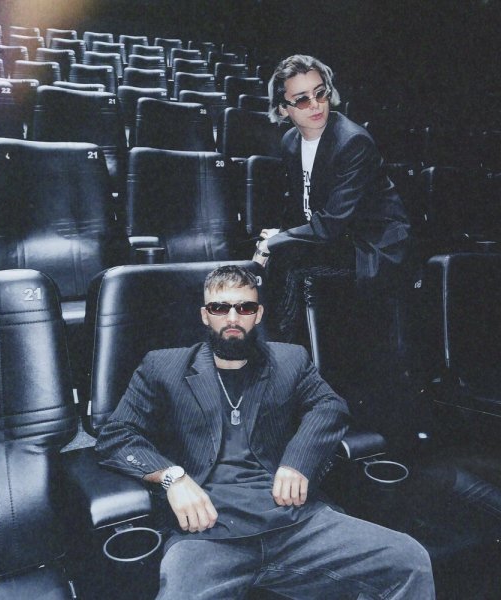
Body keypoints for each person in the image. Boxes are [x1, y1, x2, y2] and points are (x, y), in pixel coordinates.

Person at [96, 265, 435, 599]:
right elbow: (117, 434)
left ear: (258, 314)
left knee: (410, 560)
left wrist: (298, 460)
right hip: (206, 534)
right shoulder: (163, 367)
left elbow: (330, 406)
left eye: (244, 308)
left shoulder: (289, 360)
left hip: (295, 524)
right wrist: (173, 477)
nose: (232, 318)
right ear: (205, 315)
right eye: (220, 308)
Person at [253, 54, 411, 341]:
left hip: (372, 247)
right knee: (270, 252)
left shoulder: (353, 142)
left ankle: (283, 354)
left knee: (287, 262)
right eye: (302, 99)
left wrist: (277, 242)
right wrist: (278, 234)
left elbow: (331, 224)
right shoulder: (290, 142)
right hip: (337, 239)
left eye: (320, 93)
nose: (315, 104)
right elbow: (300, 207)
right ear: (283, 109)